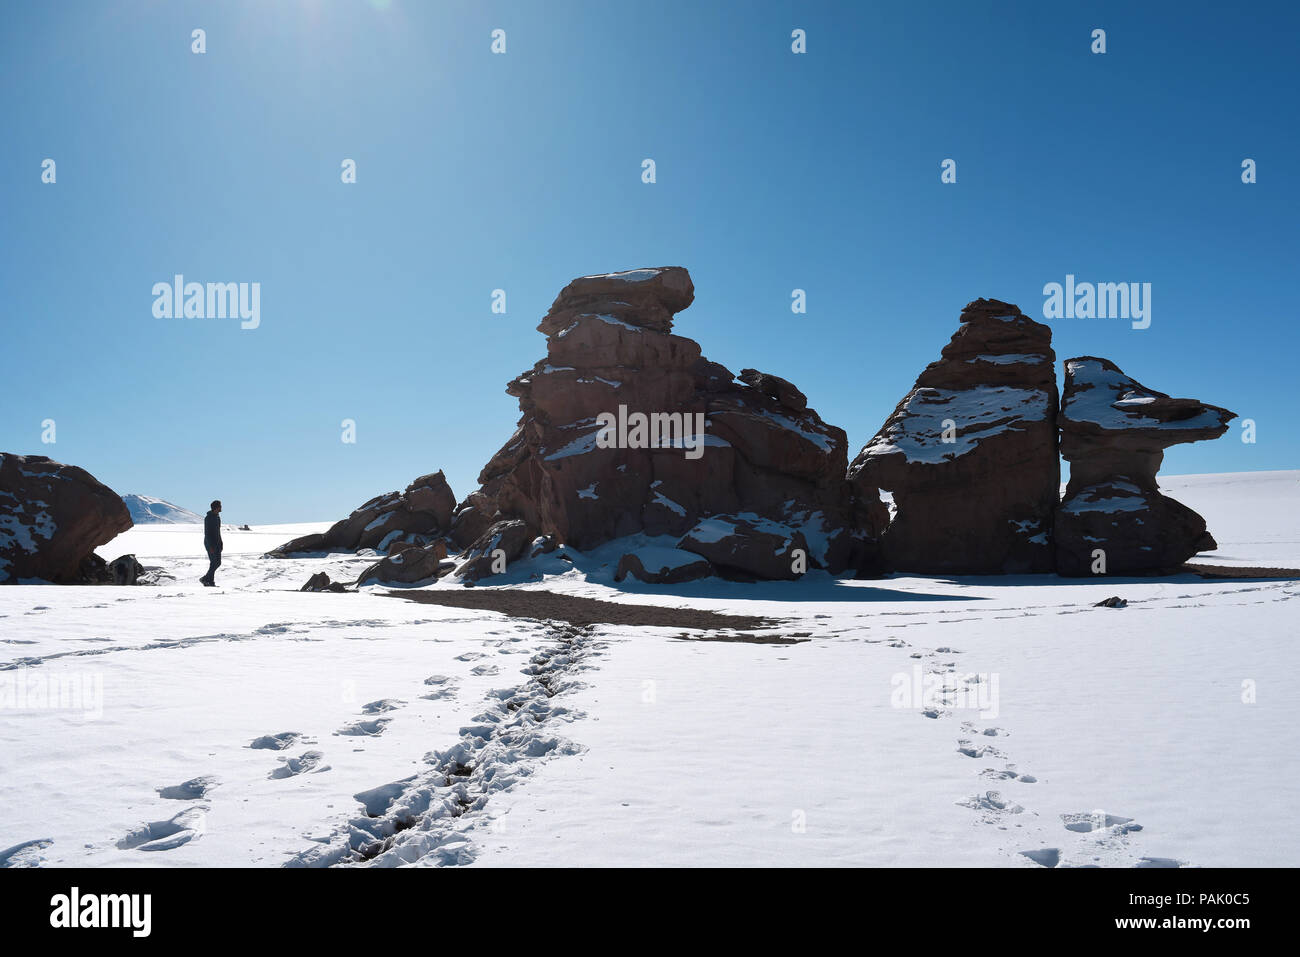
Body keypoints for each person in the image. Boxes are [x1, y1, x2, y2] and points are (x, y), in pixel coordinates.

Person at [200, 500, 223, 586]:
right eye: (220, 506)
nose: (221, 507)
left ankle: (208, 581)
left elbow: (218, 532)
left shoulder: (217, 517)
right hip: (210, 544)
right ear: (216, 508)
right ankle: (206, 579)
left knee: (217, 563)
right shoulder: (208, 518)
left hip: (217, 544)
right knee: (214, 562)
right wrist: (210, 546)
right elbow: (207, 533)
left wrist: (221, 543)